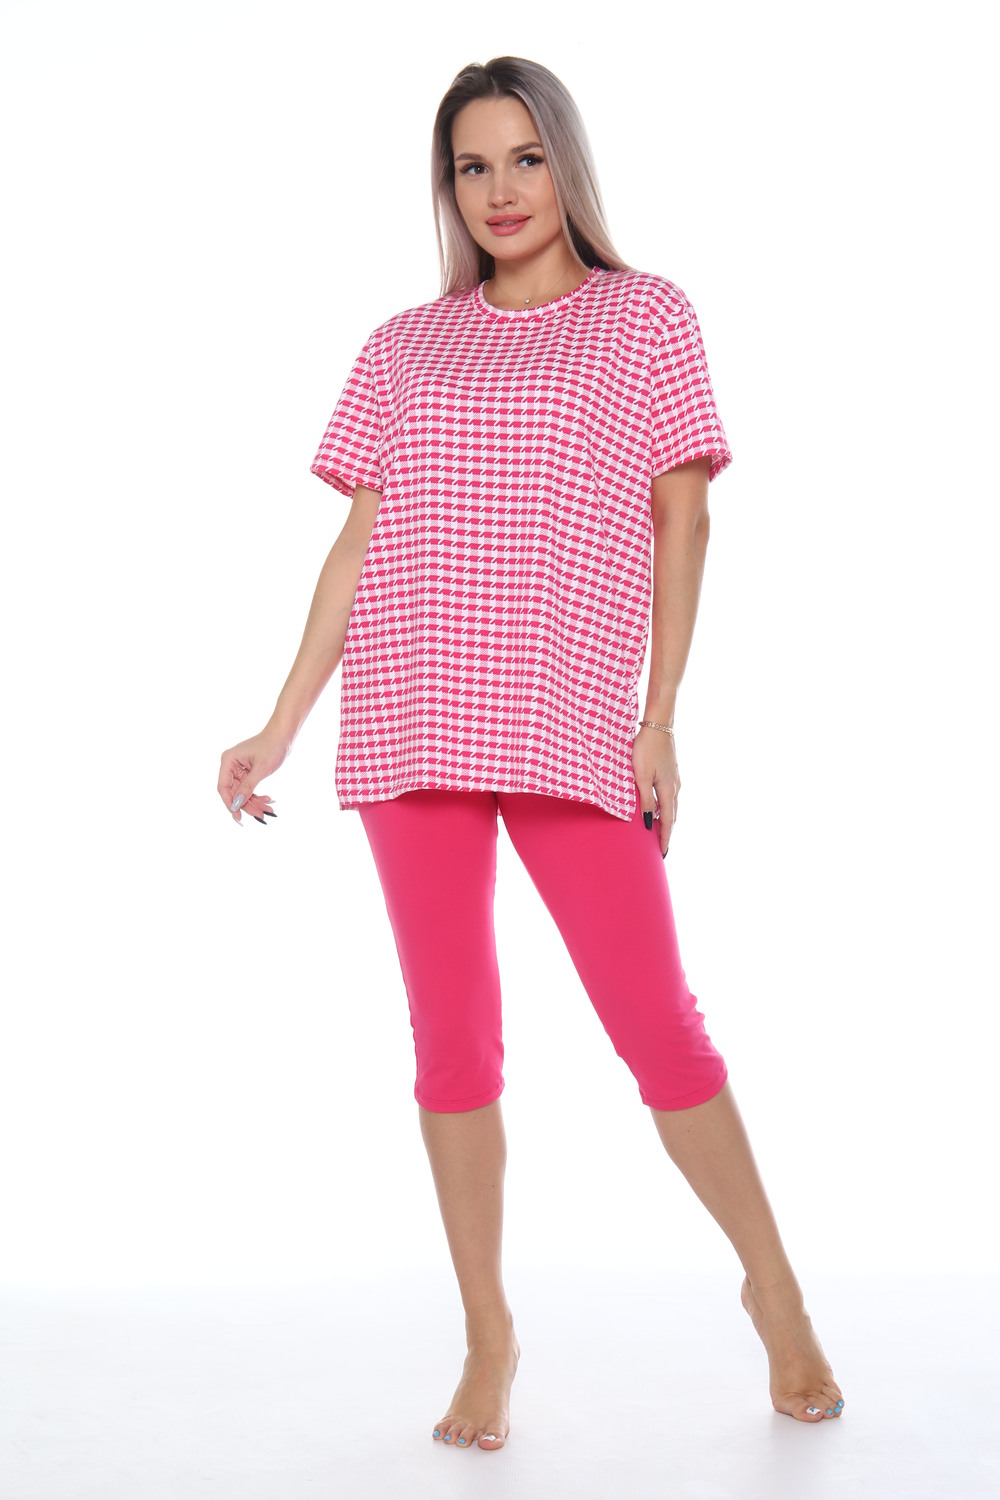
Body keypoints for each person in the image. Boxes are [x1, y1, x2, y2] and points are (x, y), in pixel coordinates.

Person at [217, 55, 844, 1451]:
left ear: (566, 161)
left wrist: (660, 714)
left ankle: (776, 1287)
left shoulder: (646, 315)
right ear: (447, 187)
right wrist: (279, 723)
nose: (499, 191)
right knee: (453, 1042)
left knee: (659, 1026)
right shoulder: (404, 343)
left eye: (524, 158)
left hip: (572, 718)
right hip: (413, 715)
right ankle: (488, 1334)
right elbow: (359, 544)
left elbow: (684, 518)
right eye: (471, 166)